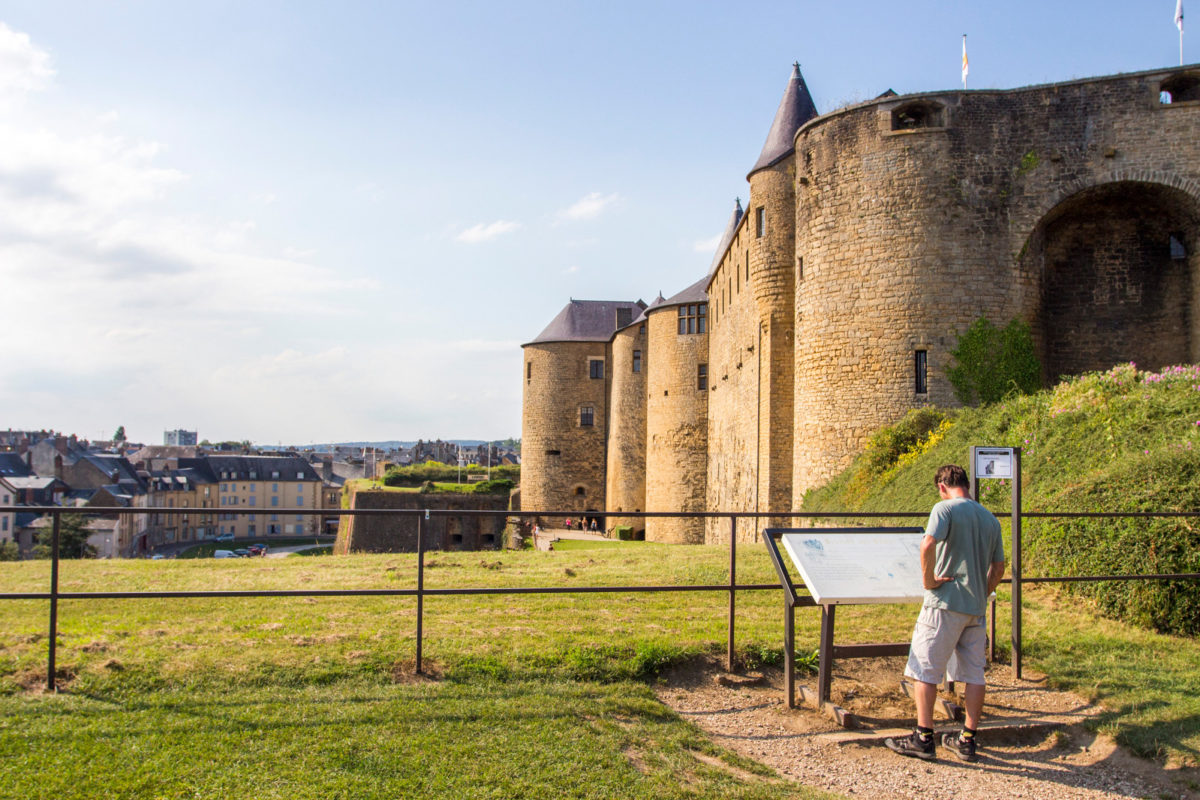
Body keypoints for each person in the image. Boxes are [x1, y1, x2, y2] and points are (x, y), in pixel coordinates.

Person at [886, 464, 1006, 763]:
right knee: (974, 673)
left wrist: (929, 581)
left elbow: (928, 544)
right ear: (966, 484)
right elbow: (999, 567)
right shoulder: (990, 519)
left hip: (945, 603)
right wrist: (983, 591)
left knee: (924, 668)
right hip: (976, 608)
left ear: (942, 486)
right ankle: (967, 740)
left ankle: (924, 738)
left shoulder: (944, 509)